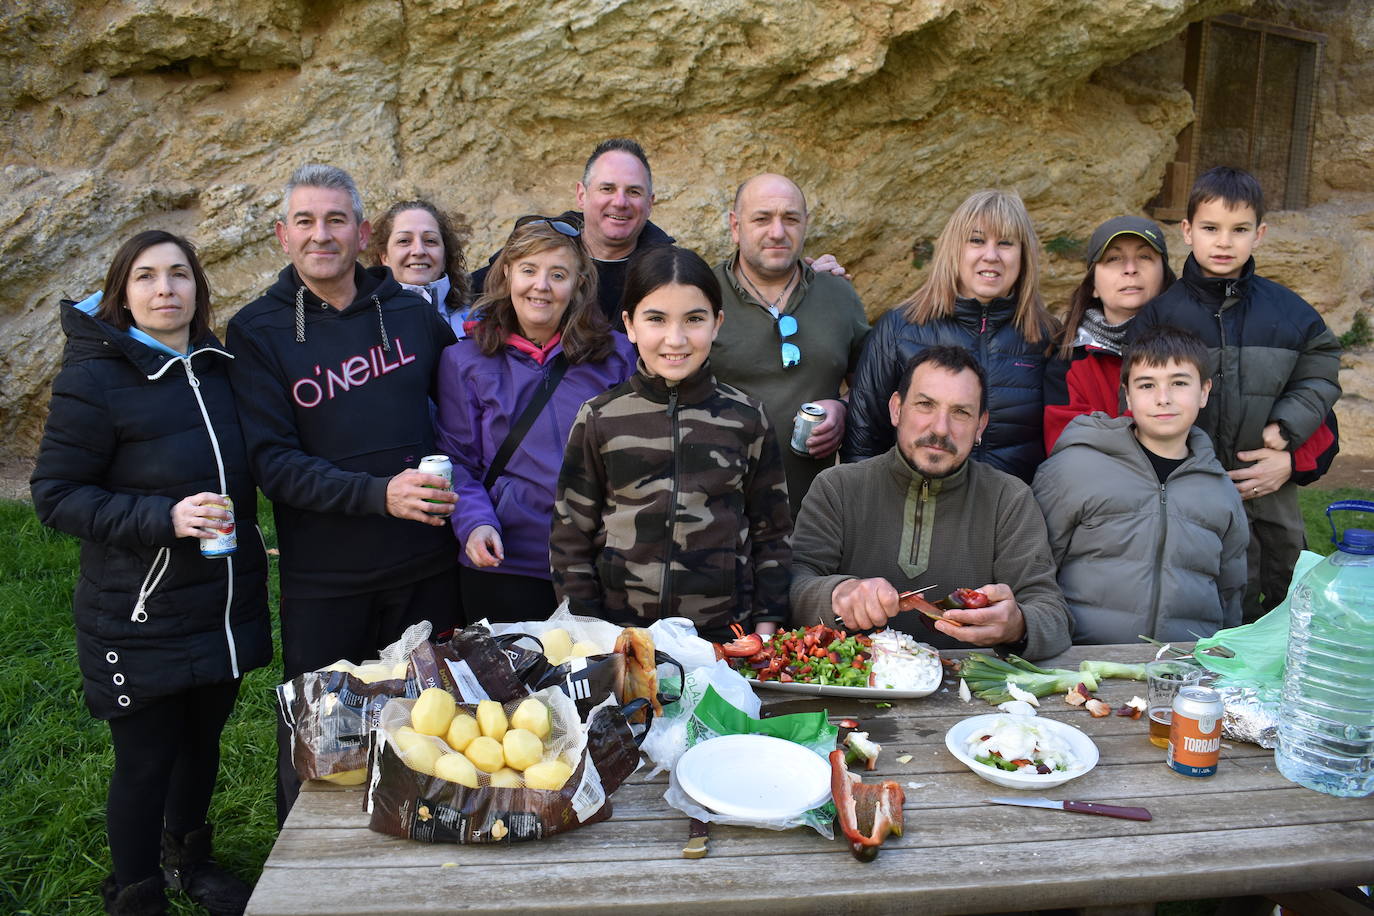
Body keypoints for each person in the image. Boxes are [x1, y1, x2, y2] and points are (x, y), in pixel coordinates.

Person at [31, 231, 271, 915]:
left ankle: (190, 861)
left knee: (201, 743)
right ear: (122, 293)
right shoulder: (94, 379)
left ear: (199, 288)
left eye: (178, 275)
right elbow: (55, 494)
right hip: (140, 608)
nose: (164, 289)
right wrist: (161, 517)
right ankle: (135, 891)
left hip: (222, 602)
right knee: (145, 759)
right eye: (145, 276)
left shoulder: (223, 368)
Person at [225, 164, 461, 823]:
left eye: (336, 220)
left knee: (434, 734)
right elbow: (273, 464)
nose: (320, 235)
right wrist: (378, 494)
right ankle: (301, 885)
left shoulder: (412, 318)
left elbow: (471, 406)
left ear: (362, 234)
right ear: (282, 235)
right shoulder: (258, 332)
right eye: (305, 221)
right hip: (326, 582)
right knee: (320, 753)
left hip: (426, 569)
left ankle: (425, 854)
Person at [549, 245, 793, 641]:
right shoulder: (600, 417)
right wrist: (590, 635)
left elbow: (773, 534)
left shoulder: (748, 418)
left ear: (717, 323)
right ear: (629, 325)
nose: (675, 339)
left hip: (724, 639)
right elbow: (569, 537)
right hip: (618, 638)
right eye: (656, 319)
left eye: (694, 319)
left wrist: (765, 632)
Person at [1130, 166, 1342, 619]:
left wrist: (1288, 428)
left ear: (1259, 234)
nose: (1224, 242)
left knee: (1288, 590)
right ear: (1187, 231)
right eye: (1211, 228)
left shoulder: (1289, 311)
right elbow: (1138, 390)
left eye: (1239, 229)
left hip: (1270, 482)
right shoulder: (1161, 315)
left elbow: (1321, 368)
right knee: (1211, 593)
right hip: (1196, 486)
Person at [792, 345, 1070, 660]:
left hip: (970, 695)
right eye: (925, 405)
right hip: (851, 686)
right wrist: (837, 593)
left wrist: (1018, 625)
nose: (940, 429)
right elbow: (793, 584)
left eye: (961, 412)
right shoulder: (837, 488)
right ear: (896, 409)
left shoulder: (1010, 499)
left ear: (980, 425)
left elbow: (1053, 616)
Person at [435, 217, 636, 621]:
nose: (541, 286)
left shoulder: (616, 356)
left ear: (579, 282)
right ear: (508, 272)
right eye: (529, 270)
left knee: (597, 683)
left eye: (557, 274)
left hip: (594, 562)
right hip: (505, 558)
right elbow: (456, 461)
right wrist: (474, 523)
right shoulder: (464, 360)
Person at [1033, 326, 1249, 644]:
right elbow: (1035, 570)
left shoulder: (1221, 492)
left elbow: (1230, 593)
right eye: (1147, 385)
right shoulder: (1074, 470)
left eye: (1179, 383)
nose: (1163, 398)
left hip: (1183, 668)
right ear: (1128, 395)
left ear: (1204, 392)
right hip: (1081, 666)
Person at [842, 189, 1057, 484]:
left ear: (1023, 256)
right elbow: (864, 440)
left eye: (1005, 243)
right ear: (955, 249)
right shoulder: (899, 328)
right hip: (915, 513)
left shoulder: (1048, 338)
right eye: (977, 240)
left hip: (1010, 517)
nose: (991, 255)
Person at [710, 173, 870, 514]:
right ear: (735, 226)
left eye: (791, 219)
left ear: (806, 225)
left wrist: (843, 408)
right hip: (716, 514)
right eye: (762, 219)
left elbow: (875, 387)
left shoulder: (839, 294)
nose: (778, 232)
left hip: (815, 514)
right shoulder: (701, 296)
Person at [471, 139, 674, 329]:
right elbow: (463, 295)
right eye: (607, 188)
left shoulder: (670, 272)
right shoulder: (539, 250)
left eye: (633, 192)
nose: (620, 202)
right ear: (581, 195)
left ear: (649, 203)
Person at [1042, 215, 1175, 453]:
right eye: (1113, 259)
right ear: (1092, 283)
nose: (1131, 269)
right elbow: (1067, 449)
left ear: (1164, 275)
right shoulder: (1068, 360)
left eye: (1145, 257)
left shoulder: (1193, 347)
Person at [365, 198, 472, 337]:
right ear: (384, 257)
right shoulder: (366, 326)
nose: (419, 250)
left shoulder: (477, 322)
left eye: (430, 241)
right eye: (404, 241)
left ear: (445, 255)